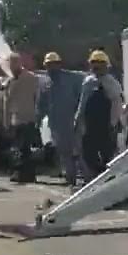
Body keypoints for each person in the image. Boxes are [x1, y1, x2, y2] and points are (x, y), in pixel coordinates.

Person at [37, 52, 84, 187]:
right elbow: (41, 103)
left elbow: (81, 98)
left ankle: (88, 179)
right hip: (56, 123)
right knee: (64, 153)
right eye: (48, 65)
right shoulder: (44, 82)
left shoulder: (73, 79)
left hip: (74, 122)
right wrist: (38, 118)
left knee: (79, 152)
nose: (51, 67)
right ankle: (71, 180)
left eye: (53, 64)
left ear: (59, 64)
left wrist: (80, 116)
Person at [76, 50, 123, 180]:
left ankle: (109, 180)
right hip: (90, 125)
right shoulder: (88, 82)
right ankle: (96, 175)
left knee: (108, 155)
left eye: (99, 64)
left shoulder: (112, 83)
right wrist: (78, 119)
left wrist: (113, 123)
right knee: (88, 154)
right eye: (94, 63)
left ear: (106, 65)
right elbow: (83, 102)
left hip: (106, 125)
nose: (96, 66)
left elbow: (117, 104)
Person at [3, 53, 40, 183]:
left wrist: (38, 117)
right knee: (19, 148)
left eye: (15, 63)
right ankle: (23, 173)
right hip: (16, 119)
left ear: (19, 63)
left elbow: (38, 98)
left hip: (29, 118)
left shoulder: (31, 78)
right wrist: (6, 122)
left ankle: (26, 174)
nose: (12, 66)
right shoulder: (10, 81)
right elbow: (6, 103)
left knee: (25, 148)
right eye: (10, 64)